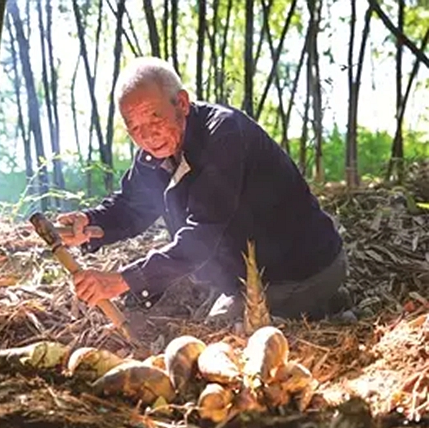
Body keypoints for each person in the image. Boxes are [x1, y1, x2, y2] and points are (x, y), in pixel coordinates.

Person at [57, 57, 350, 324]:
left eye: (154, 118)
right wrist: (90, 223)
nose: (147, 136)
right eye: (134, 128)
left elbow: (202, 236)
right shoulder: (156, 152)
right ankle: (312, 304)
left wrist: (121, 280)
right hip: (243, 274)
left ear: (182, 103)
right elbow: (131, 207)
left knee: (217, 331)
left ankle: (322, 304)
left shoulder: (224, 136)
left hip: (300, 268)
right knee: (180, 307)